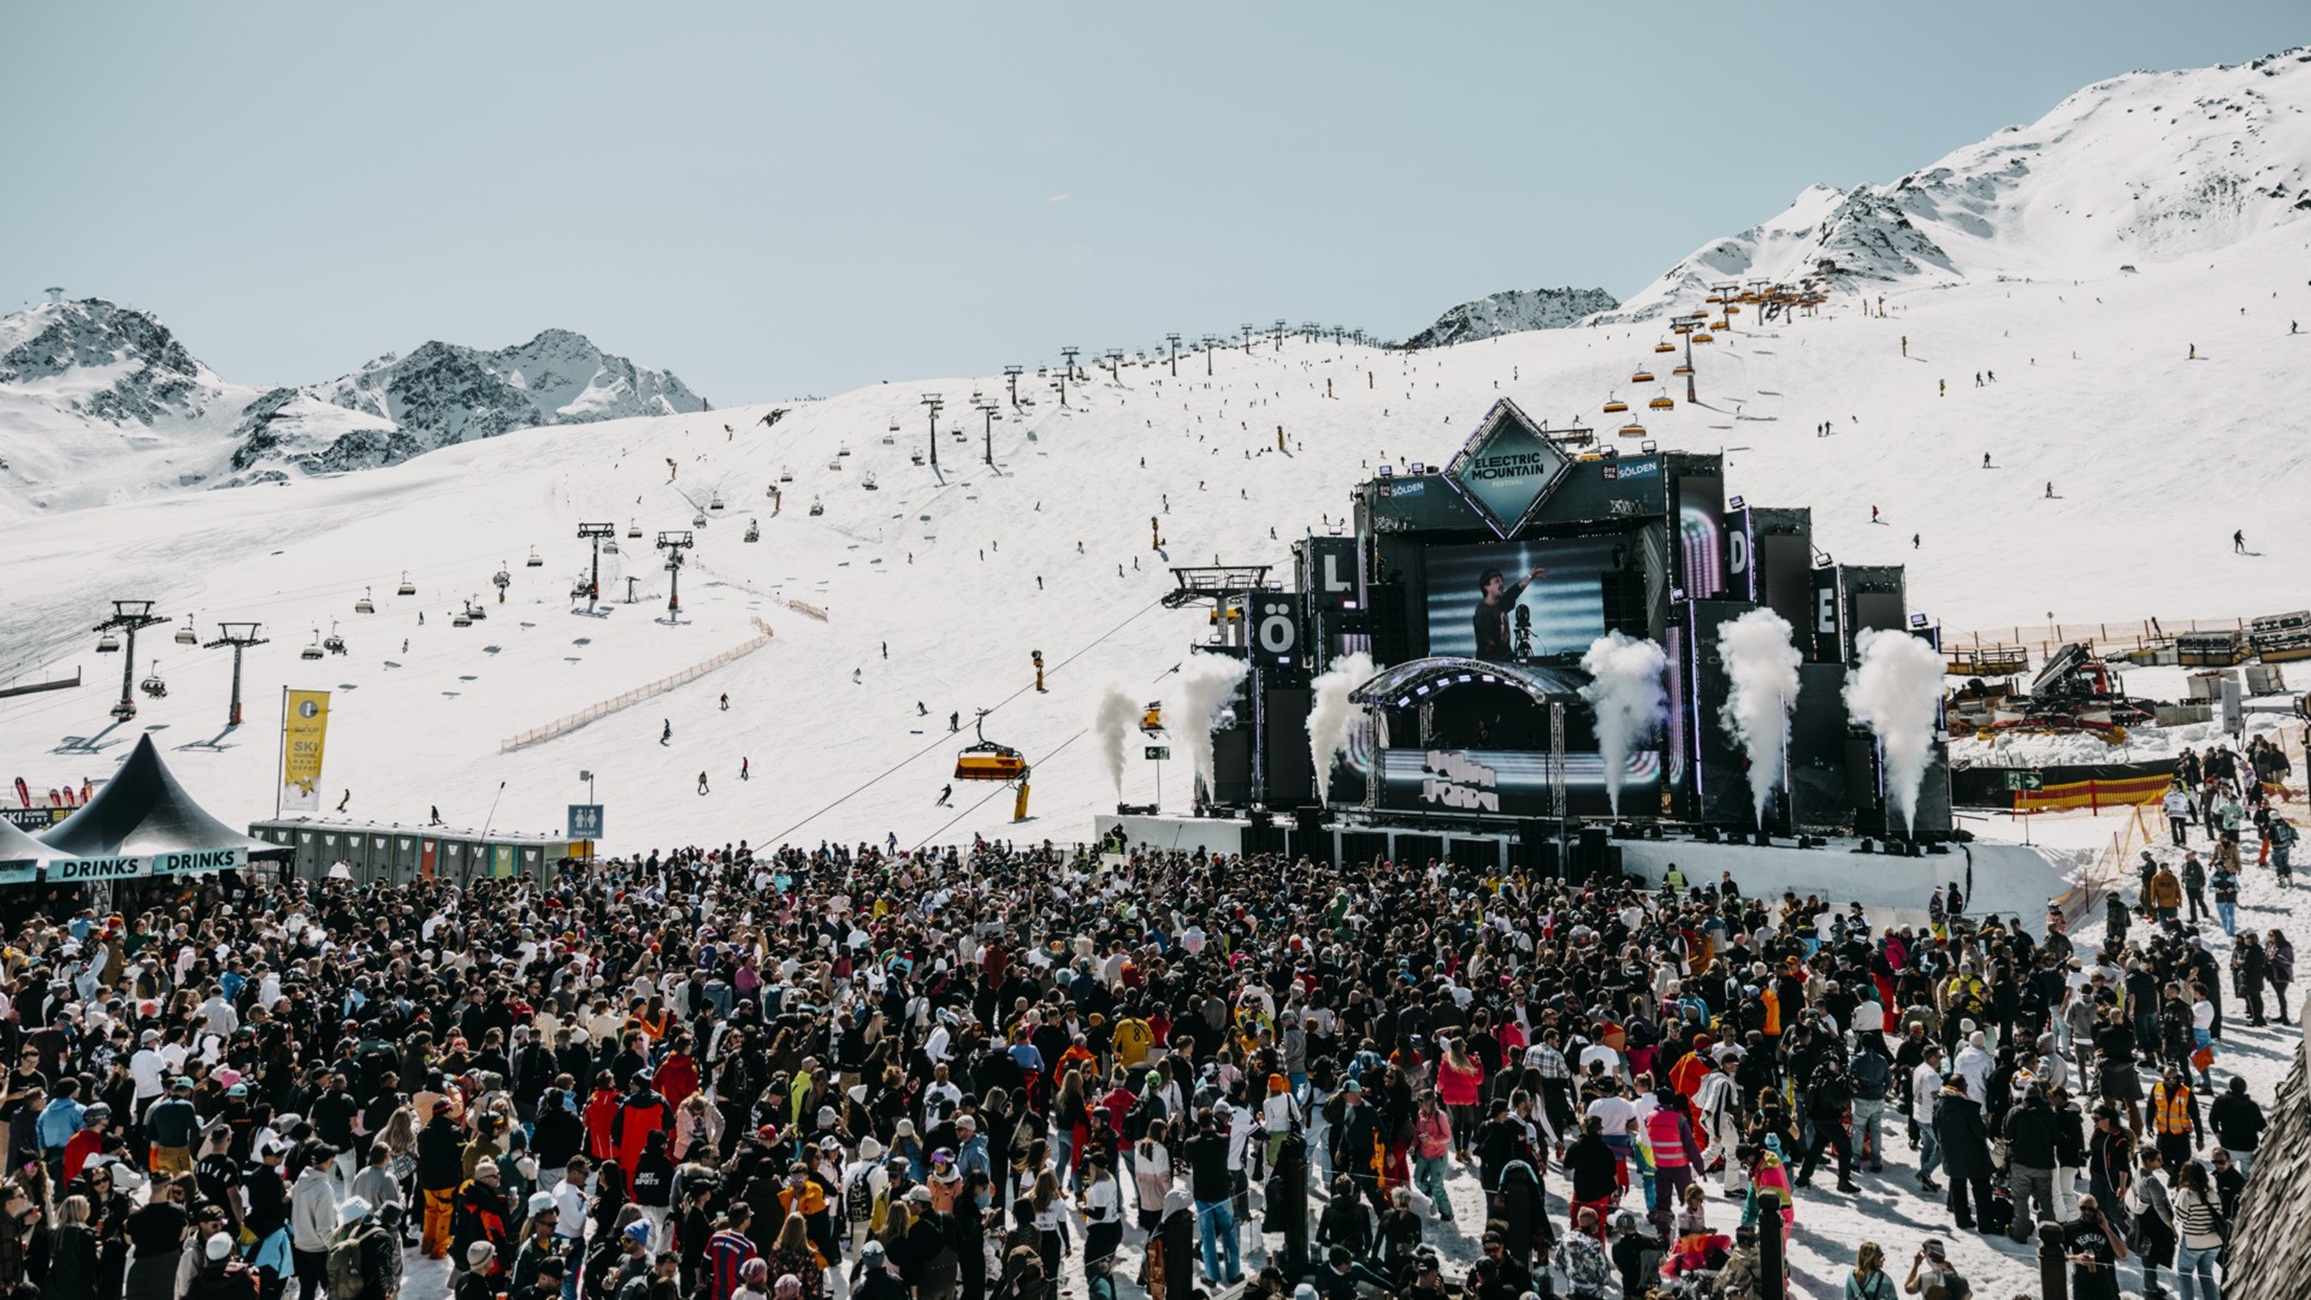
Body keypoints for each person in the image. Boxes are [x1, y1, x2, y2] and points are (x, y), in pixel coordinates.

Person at [1470, 565, 1545, 662]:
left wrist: (1531, 576)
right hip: (1494, 665)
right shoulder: (1483, 612)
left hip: (1506, 662)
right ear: (1486, 587)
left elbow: (1515, 590)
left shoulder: (1500, 603)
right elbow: (1488, 647)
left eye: (1502, 581)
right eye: (1497, 581)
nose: (1501, 584)